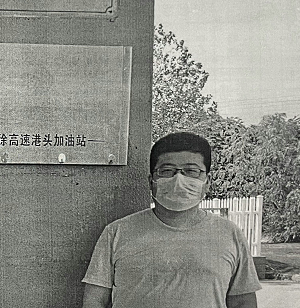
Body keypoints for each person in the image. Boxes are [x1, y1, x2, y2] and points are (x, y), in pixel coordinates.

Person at [81, 132, 261, 308]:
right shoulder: (117, 232)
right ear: (151, 181)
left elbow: (243, 302)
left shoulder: (229, 234)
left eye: (191, 171)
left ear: (207, 182)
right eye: (167, 171)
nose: (179, 179)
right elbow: (95, 301)